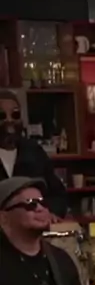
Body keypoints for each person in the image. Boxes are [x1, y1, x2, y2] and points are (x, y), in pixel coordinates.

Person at [0, 90, 67, 219]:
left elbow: (58, 195)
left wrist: (51, 213)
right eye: (1, 116)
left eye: (15, 115)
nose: (9, 120)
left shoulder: (33, 151)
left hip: (33, 226)